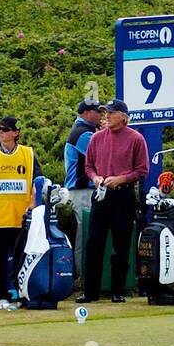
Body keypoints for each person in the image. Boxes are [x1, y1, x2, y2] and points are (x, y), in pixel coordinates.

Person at [77, 99, 148, 304]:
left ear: (123, 117)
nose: (106, 116)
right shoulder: (97, 138)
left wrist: (121, 179)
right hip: (101, 195)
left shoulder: (136, 139)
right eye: (104, 112)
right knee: (94, 244)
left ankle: (118, 290)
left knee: (121, 244)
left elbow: (142, 170)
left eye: (111, 112)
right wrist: (96, 178)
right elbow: (88, 167)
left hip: (123, 195)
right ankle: (90, 292)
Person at [0, 116, 42, 309]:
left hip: (21, 217)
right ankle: (1, 296)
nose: (1, 133)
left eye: (6, 129)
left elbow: (37, 182)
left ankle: (22, 293)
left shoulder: (28, 154)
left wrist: (33, 204)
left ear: (16, 133)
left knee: (22, 259)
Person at [64, 100, 104, 259]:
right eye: (98, 111)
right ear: (86, 113)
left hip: (86, 190)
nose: (101, 115)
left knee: (89, 233)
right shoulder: (82, 133)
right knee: (85, 234)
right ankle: (82, 273)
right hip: (82, 190)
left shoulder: (86, 130)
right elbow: (103, 153)